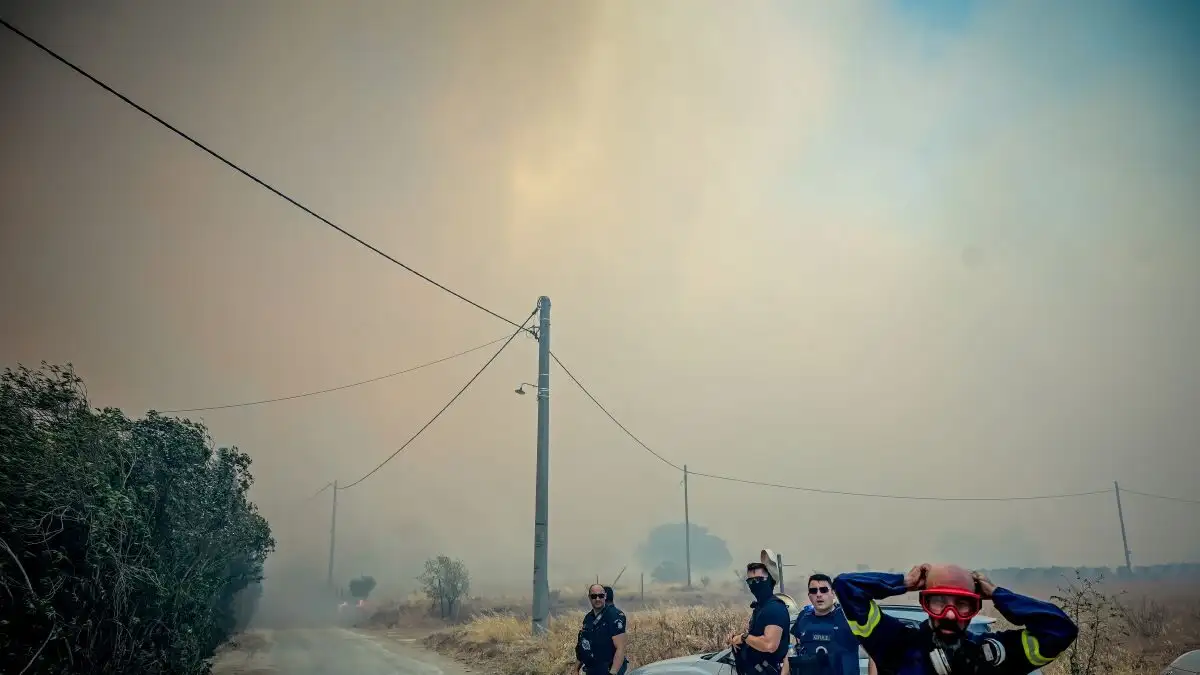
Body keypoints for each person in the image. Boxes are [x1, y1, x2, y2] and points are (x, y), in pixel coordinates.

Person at [832, 564, 1078, 675]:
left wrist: (998, 595)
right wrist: (904, 584)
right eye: (939, 603)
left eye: (962, 604)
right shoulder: (897, 645)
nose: (950, 615)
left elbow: (1060, 629)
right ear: (925, 604)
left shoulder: (990, 655)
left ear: (975, 607)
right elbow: (846, 586)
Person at [728, 554, 790, 675]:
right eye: (750, 581)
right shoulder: (760, 608)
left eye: (759, 579)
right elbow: (757, 637)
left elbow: (769, 645)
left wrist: (744, 638)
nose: (754, 584)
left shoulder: (774, 608)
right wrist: (738, 639)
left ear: (770, 580)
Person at [789, 574, 860, 675]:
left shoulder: (849, 617)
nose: (818, 594)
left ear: (833, 593)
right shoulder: (803, 617)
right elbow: (793, 651)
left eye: (823, 590)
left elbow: (874, 653)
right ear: (809, 596)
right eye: (814, 591)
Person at [575, 583, 629, 675]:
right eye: (594, 596)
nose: (597, 599)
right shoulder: (588, 618)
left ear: (605, 596)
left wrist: (613, 672)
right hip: (592, 670)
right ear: (589, 597)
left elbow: (620, 648)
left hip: (608, 669)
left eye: (601, 596)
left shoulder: (614, 616)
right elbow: (583, 645)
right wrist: (575, 670)